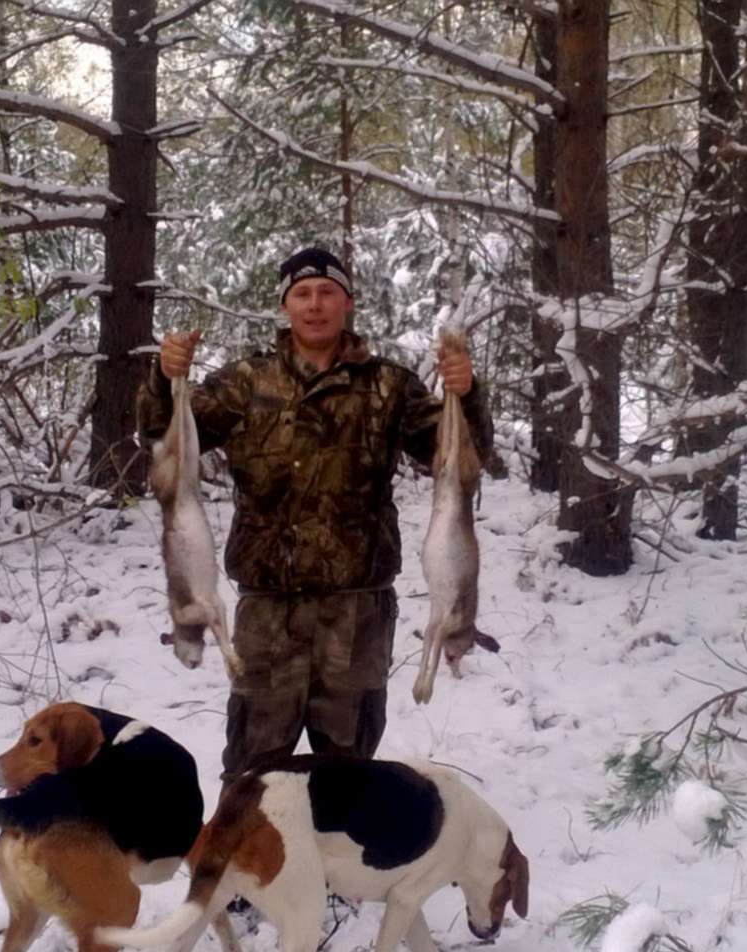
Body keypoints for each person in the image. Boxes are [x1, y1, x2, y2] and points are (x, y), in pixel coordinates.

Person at [138, 245, 487, 776]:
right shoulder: (245, 383)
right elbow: (161, 436)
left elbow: (461, 459)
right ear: (286, 306)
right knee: (253, 778)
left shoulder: (388, 386)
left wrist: (467, 393)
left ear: (348, 303)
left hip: (358, 615)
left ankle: (334, 861)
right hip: (268, 614)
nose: (315, 304)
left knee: (346, 780)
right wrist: (165, 380)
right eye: (302, 293)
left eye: (328, 292)